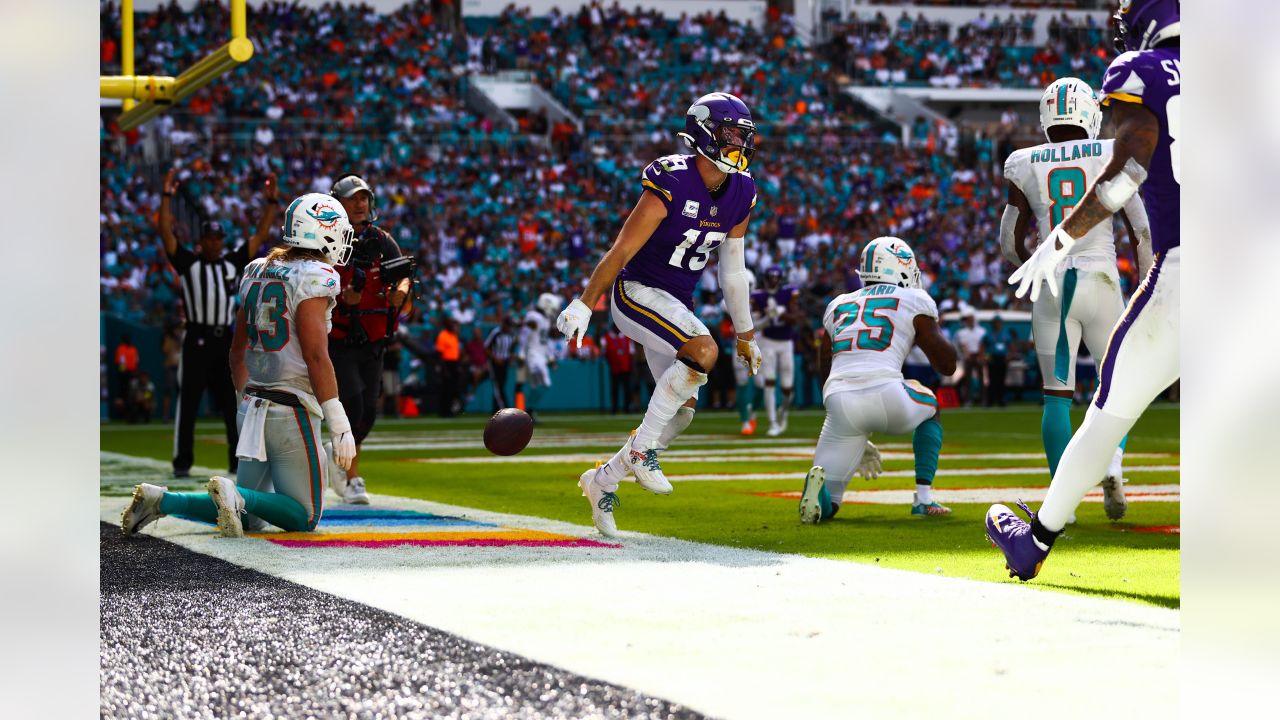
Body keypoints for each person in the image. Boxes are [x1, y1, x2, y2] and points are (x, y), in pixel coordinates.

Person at [987, 0, 1180, 581]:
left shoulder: (1140, 72)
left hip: (1182, 276)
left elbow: (1127, 174)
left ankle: (1037, 539)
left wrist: (1058, 241)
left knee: (1100, 411)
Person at [556, 92, 763, 537]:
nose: (740, 144)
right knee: (704, 350)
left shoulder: (742, 191)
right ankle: (642, 449)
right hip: (636, 292)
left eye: (744, 136)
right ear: (706, 132)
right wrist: (584, 301)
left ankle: (602, 481)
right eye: (731, 134)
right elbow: (623, 248)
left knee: (683, 412)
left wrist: (745, 333)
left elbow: (733, 271)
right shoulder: (672, 178)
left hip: (673, 306)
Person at [121, 192, 358, 538]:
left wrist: (243, 403)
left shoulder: (257, 270)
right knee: (305, 516)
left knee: (245, 516)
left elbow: (237, 351)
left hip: (253, 402)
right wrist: (338, 419)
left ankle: (164, 501)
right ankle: (237, 493)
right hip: (291, 408)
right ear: (320, 232)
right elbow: (316, 355)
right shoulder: (315, 276)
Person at [999, 76, 1154, 516]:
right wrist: (1145, 286)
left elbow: (1009, 241)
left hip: (1052, 285)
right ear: (1090, 112)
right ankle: (1114, 463)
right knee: (1121, 387)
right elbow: (1140, 231)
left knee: (1056, 396)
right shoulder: (1109, 151)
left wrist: (1032, 266)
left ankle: (1061, 506)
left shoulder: (1024, 161)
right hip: (1102, 279)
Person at [799, 237, 958, 524]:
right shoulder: (914, 299)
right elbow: (946, 366)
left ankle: (822, 496)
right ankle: (923, 498)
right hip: (887, 393)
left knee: (830, 502)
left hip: (839, 400)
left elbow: (826, 361)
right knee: (931, 404)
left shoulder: (839, 303)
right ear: (900, 267)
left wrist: (846, 421)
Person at [159, 167, 278, 477]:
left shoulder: (231, 263)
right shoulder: (189, 263)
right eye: (209, 238)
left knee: (231, 403)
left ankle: (236, 461)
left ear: (222, 240)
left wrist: (271, 203)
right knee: (188, 404)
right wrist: (167, 196)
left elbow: (260, 237)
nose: (214, 242)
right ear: (202, 241)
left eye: (218, 238)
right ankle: (182, 462)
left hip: (224, 341)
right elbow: (166, 235)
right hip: (196, 338)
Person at [324, 174, 413, 505]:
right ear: (338, 203)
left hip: (375, 337)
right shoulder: (328, 239)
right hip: (339, 337)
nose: (359, 203)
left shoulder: (382, 239)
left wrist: (399, 295)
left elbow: (403, 277)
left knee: (368, 415)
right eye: (352, 198)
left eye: (363, 197)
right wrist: (344, 296)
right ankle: (351, 477)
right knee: (354, 404)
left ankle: (341, 456)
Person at [751, 266, 801, 436]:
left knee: (787, 387)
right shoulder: (758, 296)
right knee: (769, 382)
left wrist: (781, 314)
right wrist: (768, 317)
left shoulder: (789, 293)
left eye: (776, 278)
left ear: (781, 279)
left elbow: (796, 318)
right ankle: (772, 422)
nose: (773, 281)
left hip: (786, 342)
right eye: (770, 277)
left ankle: (784, 412)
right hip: (768, 342)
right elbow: (754, 326)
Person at [519, 294, 560, 421]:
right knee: (542, 383)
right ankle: (528, 411)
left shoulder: (545, 320)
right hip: (533, 354)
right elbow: (524, 335)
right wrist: (521, 353)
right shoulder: (533, 317)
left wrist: (551, 357)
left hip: (541, 356)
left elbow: (545, 341)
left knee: (541, 385)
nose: (553, 312)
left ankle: (529, 411)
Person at [953, 311, 987, 406]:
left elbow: (984, 345)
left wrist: (981, 355)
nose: (970, 321)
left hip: (979, 356)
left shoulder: (981, 331)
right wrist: (965, 355)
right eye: (969, 319)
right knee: (967, 380)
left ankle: (983, 400)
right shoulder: (961, 332)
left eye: (972, 319)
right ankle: (968, 400)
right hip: (968, 357)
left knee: (982, 379)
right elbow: (960, 346)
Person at [484, 316, 518, 411]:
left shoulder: (511, 335)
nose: (510, 328)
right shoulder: (496, 332)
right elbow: (486, 347)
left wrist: (511, 356)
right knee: (497, 386)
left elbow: (510, 349)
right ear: (504, 324)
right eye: (509, 325)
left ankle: (495, 409)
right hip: (494, 363)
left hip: (505, 362)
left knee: (501, 385)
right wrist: (495, 358)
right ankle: (504, 407)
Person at [602, 326, 635, 414]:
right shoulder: (606, 337)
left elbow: (631, 353)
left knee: (626, 388)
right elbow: (604, 351)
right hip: (614, 367)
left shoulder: (627, 338)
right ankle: (614, 407)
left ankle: (626, 407)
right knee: (614, 389)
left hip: (625, 367)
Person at [435, 317, 462, 417]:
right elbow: (439, 354)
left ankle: (450, 410)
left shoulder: (454, 335)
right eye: (452, 324)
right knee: (445, 389)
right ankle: (443, 411)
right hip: (446, 364)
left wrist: (458, 366)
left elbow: (455, 352)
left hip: (454, 364)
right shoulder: (443, 335)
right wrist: (444, 369)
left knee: (452, 389)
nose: (454, 327)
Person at [985, 315, 1012, 407]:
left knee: (1001, 380)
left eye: (998, 322)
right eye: (995, 322)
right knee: (992, 380)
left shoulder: (1005, 334)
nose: (997, 324)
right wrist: (985, 356)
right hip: (992, 358)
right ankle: (990, 401)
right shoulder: (989, 334)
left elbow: (1011, 346)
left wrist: (1009, 356)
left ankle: (1001, 400)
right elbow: (983, 345)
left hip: (1002, 358)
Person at [113, 334, 139, 421]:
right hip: (123, 375)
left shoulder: (133, 349)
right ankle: (123, 415)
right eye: (126, 338)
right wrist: (123, 372)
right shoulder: (121, 348)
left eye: (128, 338)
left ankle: (132, 415)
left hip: (132, 374)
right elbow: (120, 362)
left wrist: (134, 373)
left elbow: (136, 362)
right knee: (122, 396)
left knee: (132, 395)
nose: (127, 340)